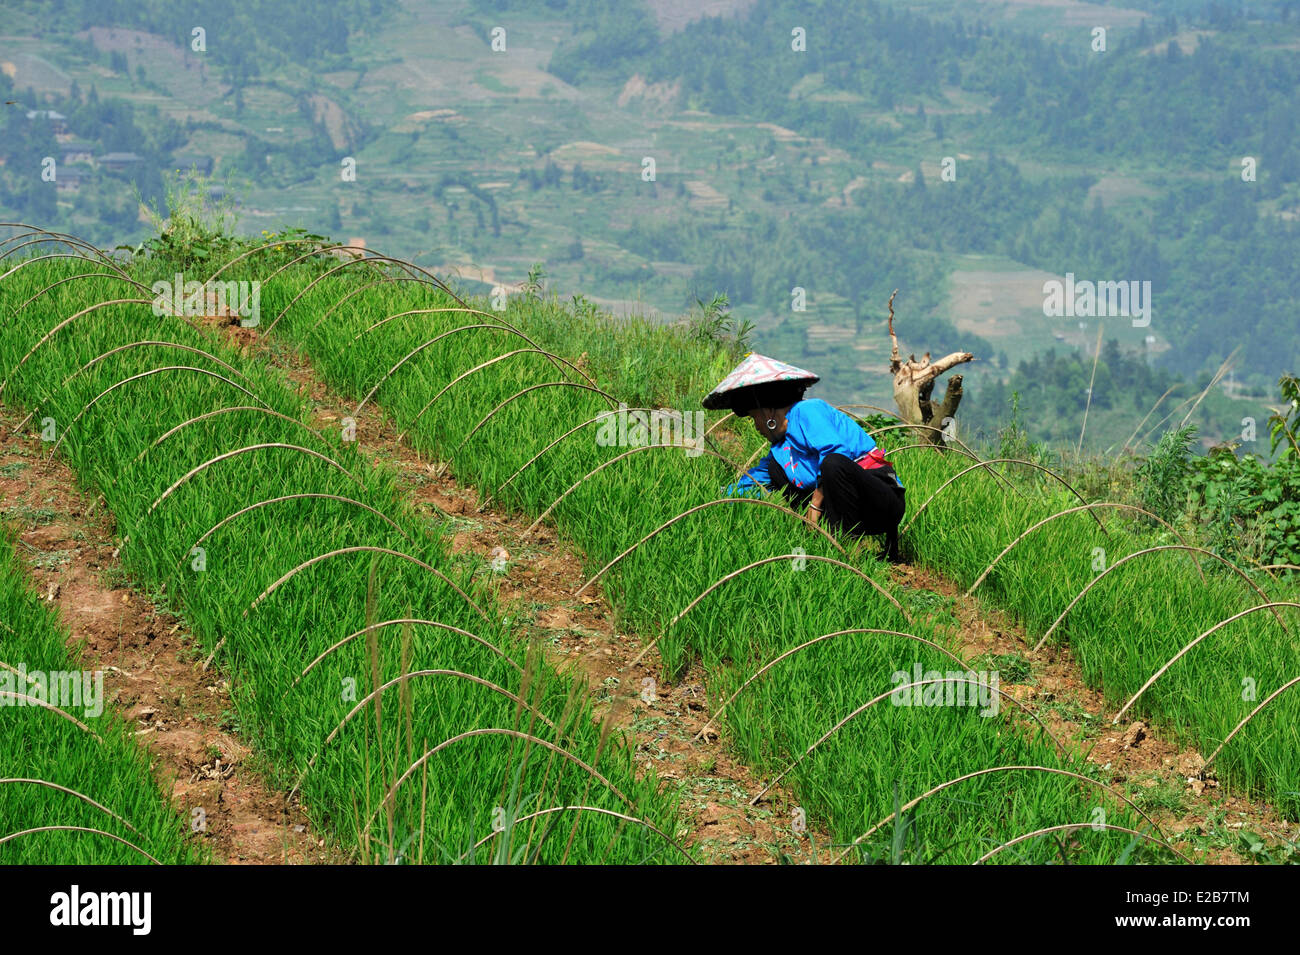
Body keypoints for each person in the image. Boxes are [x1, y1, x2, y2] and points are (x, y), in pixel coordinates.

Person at [703, 354, 906, 563]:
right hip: (842, 510)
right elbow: (752, 481)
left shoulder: (807, 410)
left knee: (832, 463)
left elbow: (836, 452)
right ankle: (823, 543)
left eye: (755, 418)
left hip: (880, 501)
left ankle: (846, 552)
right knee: (775, 471)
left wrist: (816, 504)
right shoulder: (779, 450)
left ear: (768, 413)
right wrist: (713, 500)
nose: (756, 427)